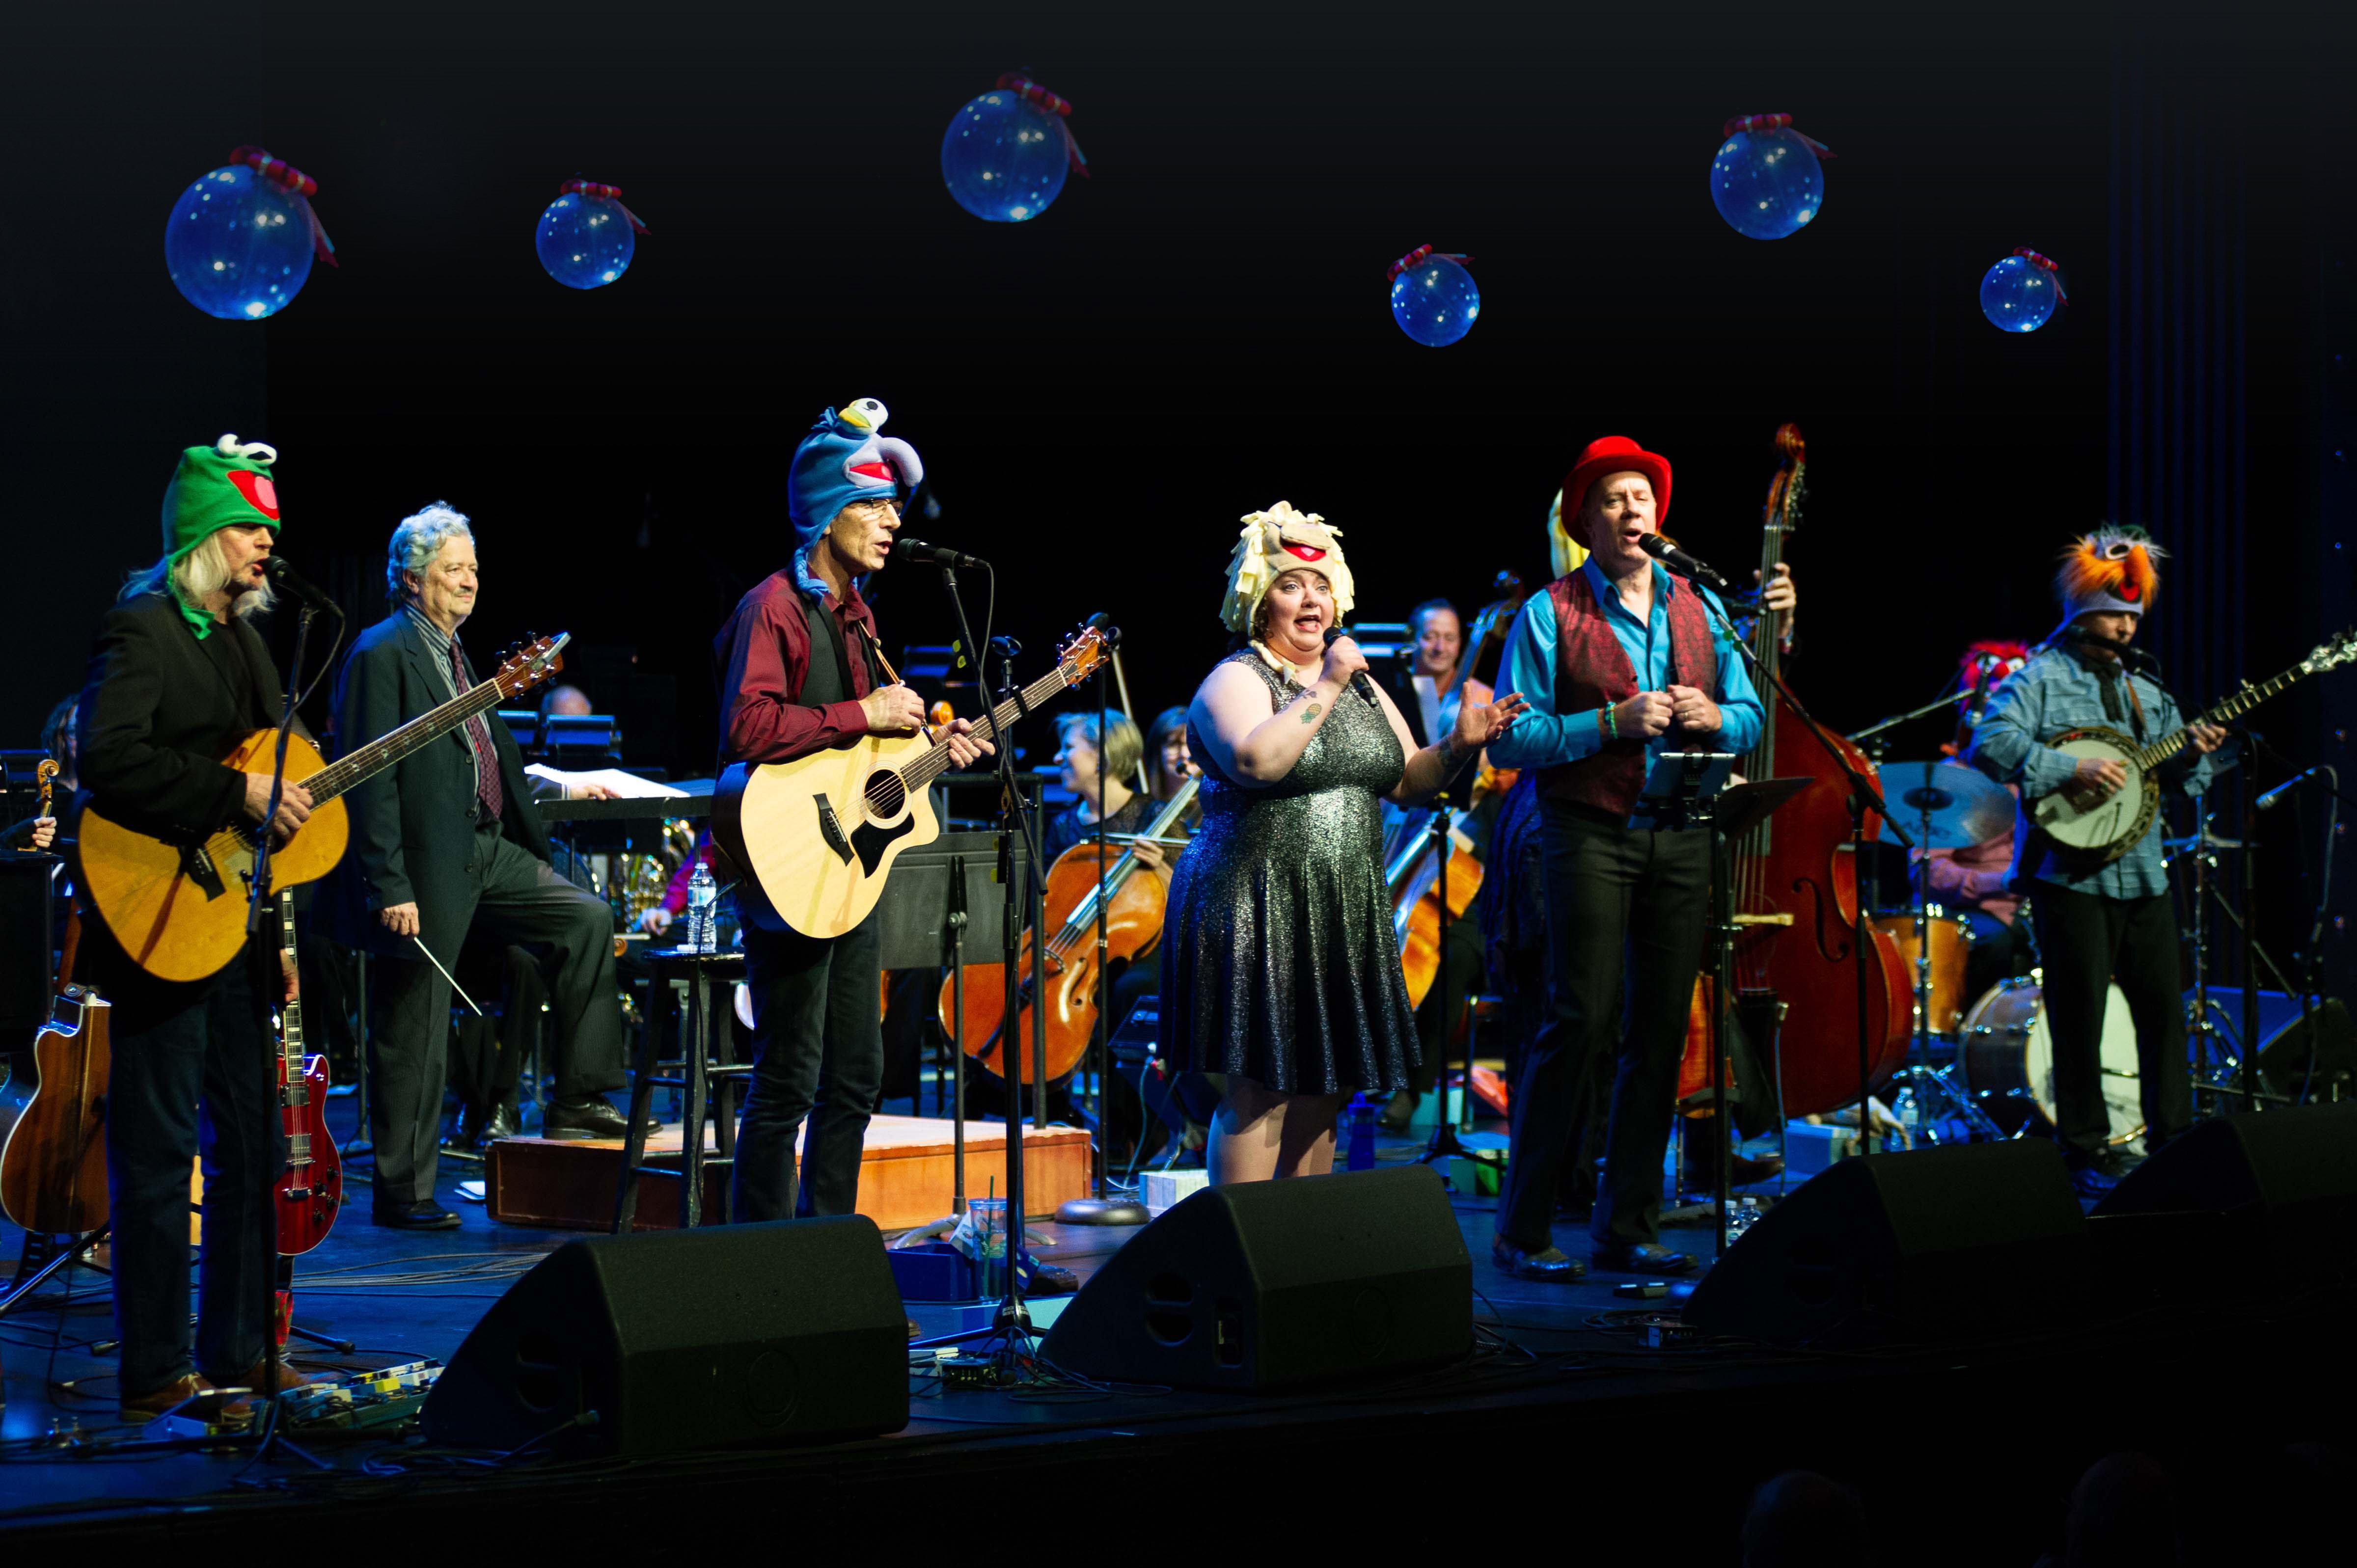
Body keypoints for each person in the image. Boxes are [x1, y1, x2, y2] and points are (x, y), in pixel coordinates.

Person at [1159, 501, 1523, 1185]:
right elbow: (1258, 761)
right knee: (1260, 1089)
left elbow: (1412, 780)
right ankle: (1246, 1255)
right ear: (1261, 599)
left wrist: (1459, 745)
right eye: (1293, 583)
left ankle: (1301, 1254)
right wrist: (1327, 683)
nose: (1312, 598)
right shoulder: (1236, 678)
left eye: (1322, 585)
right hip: (1254, 902)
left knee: (1324, 1087)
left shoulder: (1357, 684)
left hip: (1339, 901)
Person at [1486, 435, 1765, 1280]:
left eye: (1642, 495)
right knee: (1579, 1021)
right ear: (1588, 520)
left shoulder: (1702, 607)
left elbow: (1753, 712)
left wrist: (1715, 718)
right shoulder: (1551, 610)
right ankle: (1523, 1226)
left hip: (1681, 829)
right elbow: (1516, 736)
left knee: (1659, 1032)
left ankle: (1628, 1222)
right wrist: (1611, 722)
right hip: (1587, 831)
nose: (1632, 509)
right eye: (1613, 498)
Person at [74, 434, 309, 1422]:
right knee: (162, 1151)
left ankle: (244, 1352)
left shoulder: (251, 642)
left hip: (236, 928)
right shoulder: (142, 628)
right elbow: (108, 760)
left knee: (256, 1143)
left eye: (270, 529)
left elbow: (275, 792)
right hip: (157, 925)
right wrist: (234, 790)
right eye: (251, 527)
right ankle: (156, 1370)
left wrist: (287, 936)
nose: (267, 544)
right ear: (206, 534)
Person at [714, 398, 988, 1222]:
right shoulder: (773, 606)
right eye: (872, 503)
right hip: (791, 864)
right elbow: (746, 727)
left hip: (850, 873)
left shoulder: (860, 617)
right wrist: (863, 716)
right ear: (827, 510)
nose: (891, 519)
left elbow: (868, 762)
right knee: (788, 1076)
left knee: (855, 1077)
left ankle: (825, 1249)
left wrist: (936, 743)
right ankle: (758, 1255)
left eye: (893, 503)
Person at [324, 502, 632, 1230]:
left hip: (484, 848)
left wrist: (559, 786)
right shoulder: (381, 651)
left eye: (474, 569)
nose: (469, 581)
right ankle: (404, 1189)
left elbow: (492, 761)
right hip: (423, 862)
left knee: (587, 917)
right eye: (453, 568)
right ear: (411, 576)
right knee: (416, 1025)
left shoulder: (461, 655)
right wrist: (388, 881)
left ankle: (579, 1096)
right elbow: (365, 777)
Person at [1966, 528, 2224, 1196]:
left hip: (2144, 869)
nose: (2127, 626)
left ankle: (2173, 1139)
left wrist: (2196, 752)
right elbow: (1988, 745)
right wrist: (2065, 767)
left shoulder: (2146, 685)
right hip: (2068, 875)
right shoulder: (2040, 679)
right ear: (2083, 613)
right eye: (2115, 614)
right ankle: (2082, 1148)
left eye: (2134, 616)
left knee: (2163, 1011)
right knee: (2077, 1015)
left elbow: (2177, 777)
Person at [1917, 640, 2038, 1007]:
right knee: (1996, 943)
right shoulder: (1954, 781)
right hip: (1976, 910)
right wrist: (2000, 882)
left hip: (2032, 906)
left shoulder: (2038, 773)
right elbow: (1928, 871)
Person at [1143, 705, 1204, 830]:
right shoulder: (1141, 807)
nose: (1185, 754)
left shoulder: (1214, 809)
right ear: (1157, 752)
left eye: (1192, 745)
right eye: (1174, 744)